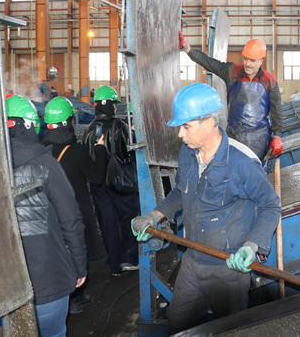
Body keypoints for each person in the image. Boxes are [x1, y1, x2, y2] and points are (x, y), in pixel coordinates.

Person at [131, 83, 281, 334]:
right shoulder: (187, 153)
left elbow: (270, 205)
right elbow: (181, 191)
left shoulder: (241, 163)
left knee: (230, 329)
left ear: (209, 123)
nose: (180, 134)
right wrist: (155, 216)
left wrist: (252, 245)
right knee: (178, 325)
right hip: (192, 261)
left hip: (228, 268)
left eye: (186, 126)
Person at [5, 94, 87, 336]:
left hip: (4, 286)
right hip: (48, 278)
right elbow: (70, 220)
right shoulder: (46, 165)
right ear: (32, 125)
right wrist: (79, 267)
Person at [42, 96, 108, 314]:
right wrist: (100, 150)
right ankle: (76, 299)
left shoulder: (41, 149)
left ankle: (59, 296)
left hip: (49, 211)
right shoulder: (76, 151)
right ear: (68, 122)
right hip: (75, 210)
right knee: (76, 250)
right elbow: (97, 177)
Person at [179, 31, 283, 161]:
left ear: (261, 60)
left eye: (252, 60)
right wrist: (187, 49)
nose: (247, 63)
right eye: (245, 59)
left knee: (255, 169)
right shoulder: (232, 71)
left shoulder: (270, 82)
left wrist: (277, 136)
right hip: (234, 137)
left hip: (260, 140)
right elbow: (208, 62)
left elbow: (277, 111)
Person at [82, 85, 140, 276]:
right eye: (114, 104)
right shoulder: (120, 126)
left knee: (108, 224)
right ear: (108, 105)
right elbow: (129, 150)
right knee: (129, 220)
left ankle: (115, 264)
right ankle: (131, 259)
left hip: (99, 186)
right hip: (120, 183)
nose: (115, 107)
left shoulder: (88, 129)